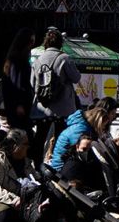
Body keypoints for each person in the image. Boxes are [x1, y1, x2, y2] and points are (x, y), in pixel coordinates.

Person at [30, 28, 83, 157]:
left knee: (40, 137)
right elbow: (76, 78)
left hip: (43, 106)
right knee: (62, 138)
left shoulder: (38, 59)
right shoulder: (64, 58)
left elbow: (32, 83)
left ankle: (38, 166)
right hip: (63, 107)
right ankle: (57, 165)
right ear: (60, 43)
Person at [48, 100, 115, 173]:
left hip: (65, 162)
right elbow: (82, 152)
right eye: (103, 125)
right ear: (98, 122)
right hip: (62, 167)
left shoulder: (82, 125)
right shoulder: (80, 130)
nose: (103, 128)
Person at [0, 28, 36, 132]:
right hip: (17, 106)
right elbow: (15, 83)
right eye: (31, 41)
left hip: (14, 104)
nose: (32, 44)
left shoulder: (14, 58)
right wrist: (19, 104)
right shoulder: (18, 60)